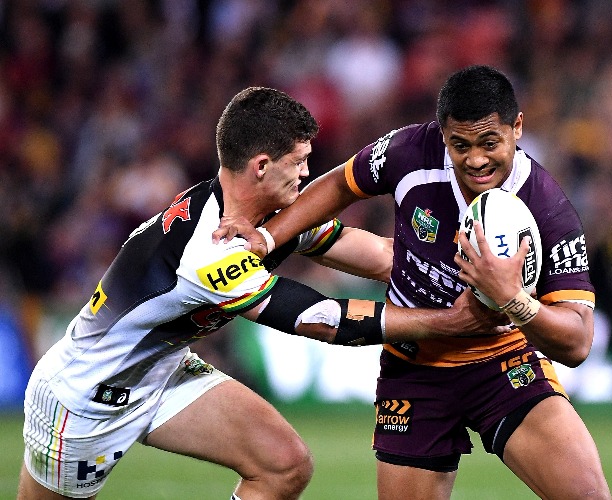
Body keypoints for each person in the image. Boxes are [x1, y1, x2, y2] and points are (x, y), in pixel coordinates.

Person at [17, 87, 506, 500]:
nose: (307, 175)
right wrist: (449, 323)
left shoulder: (268, 216)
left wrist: (464, 265)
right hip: (83, 397)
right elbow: (322, 319)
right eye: (299, 162)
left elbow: (375, 253)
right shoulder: (209, 249)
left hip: (159, 370)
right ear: (261, 165)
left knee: (284, 465)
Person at [215, 66, 612, 499]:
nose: (476, 160)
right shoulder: (410, 151)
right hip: (413, 371)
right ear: (442, 133)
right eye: (460, 145)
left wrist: (513, 299)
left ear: (517, 127)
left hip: (503, 363)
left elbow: (577, 343)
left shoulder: (548, 209)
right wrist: (270, 235)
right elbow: (340, 185)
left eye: (489, 143)